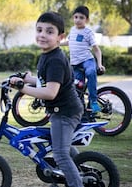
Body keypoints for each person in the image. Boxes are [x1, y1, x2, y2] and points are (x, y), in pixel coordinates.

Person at [10, 12, 83, 187]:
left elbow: (50, 92)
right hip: (60, 111)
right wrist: (29, 80)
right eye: (39, 30)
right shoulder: (47, 55)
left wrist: (23, 88)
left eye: (49, 32)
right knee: (59, 145)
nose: (42, 35)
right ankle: (73, 169)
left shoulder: (56, 60)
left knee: (60, 154)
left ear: (60, 37)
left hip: (65, 112)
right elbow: (47, 81)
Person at [61, 5, 105, 113]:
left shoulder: (88, 32)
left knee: (90, 72)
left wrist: (99, 64)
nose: (78, 20)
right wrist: (57, 43)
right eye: (76, 17)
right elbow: (69, 42)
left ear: (87, 20)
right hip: (75, 64)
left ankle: (93, 101)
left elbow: (97, 50)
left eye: (81, 17)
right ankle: (83, 113)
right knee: (77, 89)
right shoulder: (72, 30)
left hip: (87, 61)